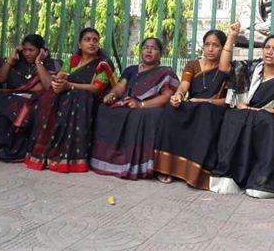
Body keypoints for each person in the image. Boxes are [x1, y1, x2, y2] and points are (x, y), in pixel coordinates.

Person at [209, 23, 274, 198]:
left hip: (268, 116)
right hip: (244, 112)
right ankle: (229, 178)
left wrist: (261, 111)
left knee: (265, 121)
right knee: (234, 117)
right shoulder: (251, 68)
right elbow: (224, 67)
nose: (269, 52)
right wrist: (232, 36)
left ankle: (262, 182)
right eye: (267, 47)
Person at [25, 27, 115, 173]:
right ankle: (47, 153)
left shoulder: (103, 63)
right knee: (47, 97)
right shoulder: (73, 60)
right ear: (80, 44)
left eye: (95, 40)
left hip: (88, 101)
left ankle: (70, 158)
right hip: (68, 95)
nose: (92, 43)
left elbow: (97, 88)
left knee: (77, 96)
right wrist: (57, 82)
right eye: (87, 40)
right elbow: (59, 77)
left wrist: (69, 86)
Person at [90, 38, 179, 179]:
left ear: (160, 54)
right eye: (145, 47)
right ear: (141, 51)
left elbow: (167, 96)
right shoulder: (131, 69)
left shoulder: (165, 72)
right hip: (128, 103)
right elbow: (120, 87)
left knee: (140, 116)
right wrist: (112, 95)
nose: (149, 50)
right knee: (104, 110)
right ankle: (108, 161)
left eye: (154, 48)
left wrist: (141, 105)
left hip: (151, 107)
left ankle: (143, 165)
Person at [0, 34, 60, 161]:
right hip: (13, 95)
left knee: (15, 105)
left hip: (34, 99)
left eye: (31, 50)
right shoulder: (18, 64)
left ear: (41, 50)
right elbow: (0, 79)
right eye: (25, 50)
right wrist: (11, 60)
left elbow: (48, 85)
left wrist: (38, 62)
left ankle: (13, 148)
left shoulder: (51, 64)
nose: (27, 53)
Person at [154, 30, 229, 189]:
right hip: (194, 105)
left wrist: (204, 100)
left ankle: (195, 173)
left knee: (205, 112)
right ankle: (168, 168)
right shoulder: (193, 64)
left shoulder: (228, 70)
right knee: (171, 109)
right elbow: (183, 85)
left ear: (223, 48)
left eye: (215, 45)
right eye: (207, 44)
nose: (210, 49)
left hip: (214, 108)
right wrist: (178, 96)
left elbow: (228, 101)